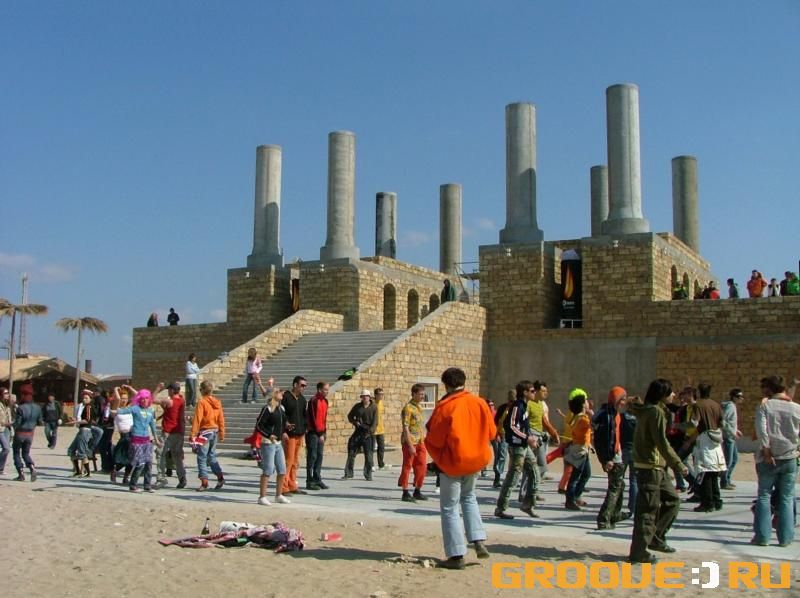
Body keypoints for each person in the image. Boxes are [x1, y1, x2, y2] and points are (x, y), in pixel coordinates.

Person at [425, 367, 496, 570]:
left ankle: (456, 555)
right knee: (469, 497)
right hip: (475, 460)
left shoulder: (446, 407)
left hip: (453, 462)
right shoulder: (479, 402)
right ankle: (478, 539)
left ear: (446, 385)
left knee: (450, 507)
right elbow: (492, 432)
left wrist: (436, 457)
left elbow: (435, 439)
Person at [626, 379, 687, 564]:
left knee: (673, 500)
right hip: (650, 467)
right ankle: (639, 552)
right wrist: (678, 464)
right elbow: (661, 442)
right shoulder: (654, 412)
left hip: (657, 468)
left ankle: (656, 537)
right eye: (670, 392)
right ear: (662, 395)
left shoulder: (650, 410)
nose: (674, 395)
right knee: (647, 511)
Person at [752, 375, 799, 547]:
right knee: (787, 497)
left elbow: (762, 431)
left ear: (769, 389)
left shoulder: (765, 406)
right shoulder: (796, 408)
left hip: (768, 457)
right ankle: (785, 538)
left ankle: (762, 537)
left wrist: (766, 450)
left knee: (764, 495)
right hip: (789, 457)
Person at [494, 381, 539, 520]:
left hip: (524, 446)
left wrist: (531, 438)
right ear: (525, 392)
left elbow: (525, 426)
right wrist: (527, 437)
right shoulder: (517, 406)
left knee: (535, 473)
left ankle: (528, 504)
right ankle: (501, 508)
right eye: (532, 391)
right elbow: (511, 426)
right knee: (513, 477)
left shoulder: (525, 406)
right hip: (517, 446)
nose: (534, 393)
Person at [594, 386, 631, 528]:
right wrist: (606, 459)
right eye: (622, 399)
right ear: (616, 400)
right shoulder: (607, 416)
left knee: (620, 485)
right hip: (612, 457)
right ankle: (604, 519)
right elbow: (601, 440)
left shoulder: (613, 413)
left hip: (616, 454)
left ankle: (615, 514)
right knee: (615, 487)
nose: (624, 402)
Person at [112, 388, 160, 492]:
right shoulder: (135, 408)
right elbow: (124, 411)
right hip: (136, 440)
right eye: (142, 398)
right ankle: (133, 485)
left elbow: (152, 425)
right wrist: (115, 410)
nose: (144, 400)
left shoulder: (150, 410)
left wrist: (156, 439)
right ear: (139, 399)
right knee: (140, 463)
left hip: (147, 440)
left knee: (149, 463)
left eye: (146, 398)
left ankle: (147, 485)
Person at [691, 382, 726, 512]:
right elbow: (722, 423)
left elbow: (695, 422)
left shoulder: (698, 405)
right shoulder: (716, 405)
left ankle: (707, 503)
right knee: (714, 472)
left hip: (705, 439)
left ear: (699, 392)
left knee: (705, 473)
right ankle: (717, 500)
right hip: (716, 440)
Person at [256, 388, 291, 505]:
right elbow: (259, 426)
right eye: (279, 392)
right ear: (273, 395)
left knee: (282, 470)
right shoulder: (267, 409)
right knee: (268, 470)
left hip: (278, 443)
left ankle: (278, 495)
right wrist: (269, 435)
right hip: (268, 443)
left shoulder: (281, 408)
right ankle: (262, 497)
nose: (282, 393)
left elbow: (283, 422)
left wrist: (286, 427)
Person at [190, 380, 225, 491]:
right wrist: (222, 433)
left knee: (202, 457)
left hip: (205, 432)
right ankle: (220, 477)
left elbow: (198, 419)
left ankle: (204, 481)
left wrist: (193, 434)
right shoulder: (217, 402)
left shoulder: (202, 402)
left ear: (203, 390)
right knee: (211, 456)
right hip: (214, 431)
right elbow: (221, 418)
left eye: (200, 389)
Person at [398, 383, 428, 502]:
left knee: (422, 466)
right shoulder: (408, 408)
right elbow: (405, 428)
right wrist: (410, 445)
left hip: (420, 441)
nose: (422, 396)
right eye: (420, 394)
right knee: (407, 466)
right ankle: (405, 491)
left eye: (423, 394)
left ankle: (417, 489)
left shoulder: (419, 407)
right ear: (414, 394)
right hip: (410, 442)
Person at [155, 382, 187, 489]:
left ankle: (161, 478)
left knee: (160, 453)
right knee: (177, 456)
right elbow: (173, 413)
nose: (168, 391)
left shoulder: (169, 401)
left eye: (169, 390)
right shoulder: (182, 400)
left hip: (168, 431)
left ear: (172, 390)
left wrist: (158, 388)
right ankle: (182, 477)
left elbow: (151, 399)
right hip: (179, 431)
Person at [564, 389, 592, 511]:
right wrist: (592, 415)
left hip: (583, 449)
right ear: (582, 405)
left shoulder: (579, 417)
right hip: (580, 451)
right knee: (575, 477)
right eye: (586, 401)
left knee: (586, 474)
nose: (588, 402)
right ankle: (570, 500)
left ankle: (575, 496)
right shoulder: (583, 419)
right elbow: (593, 426)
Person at [281, 376, 308, 494]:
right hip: (290, 434)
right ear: (295, 385)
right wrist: (284, 427)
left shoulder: (302, 400)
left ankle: (292, 484)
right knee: (288, 460)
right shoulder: (286, 397)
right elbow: (281, 414)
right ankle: (283, 486)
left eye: (305, 386)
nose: (303, 388)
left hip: (299, 433)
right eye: (302, 385)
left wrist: (305, 428)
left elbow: (304, 415)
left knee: (295, 461)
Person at [344, 389, 377, 481]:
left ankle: (368, 474)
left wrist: (370, 432)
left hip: (368, 433)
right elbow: (350, 416)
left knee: (369, 455)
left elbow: (375, 422)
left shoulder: (374, 407)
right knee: (351, 452)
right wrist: (355, 422)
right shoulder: (357, 406)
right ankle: (348, 473)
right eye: (363, 396)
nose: (364, 398)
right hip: (358, 431)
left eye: (366, 396)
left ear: (369, 397)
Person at [12, 390, 42, 481]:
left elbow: (18, 422)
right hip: (30, 434)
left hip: (20, 433)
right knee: (26, 453)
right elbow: (40, 421)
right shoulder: (38, 408)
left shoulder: (21, 408)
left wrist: (12, 425)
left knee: (16, 453)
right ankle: (32, 467)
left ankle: (21, 473)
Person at [305, 381, 329, 490]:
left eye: (328, 390)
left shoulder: (325, 401)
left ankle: (317, 478)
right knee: (312, 456)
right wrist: (319, 434)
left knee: (319, 456)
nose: (327, 392)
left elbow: (324, 419)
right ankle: (309, 481)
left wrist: (324, 433)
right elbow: (313, 419)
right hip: (313, 433)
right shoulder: (313, 401)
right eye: (325, 390)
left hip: (321, 433)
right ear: (319, 390)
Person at [720, 388, 744, 489]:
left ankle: (727, 479)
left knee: (734, 459)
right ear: (734, 397)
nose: (741, 398)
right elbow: (723, 421)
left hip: (731, 436)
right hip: (728, 437)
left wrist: (736, 430)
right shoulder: (730, 406)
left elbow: (730, 422)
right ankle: (724, 482)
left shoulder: (732, 406)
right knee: (729, 461)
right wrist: (732, 432)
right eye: (739, 396)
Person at [491, 391, 514, 488]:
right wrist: (497, 434)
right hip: (503, 435)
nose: (511, 403)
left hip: (514, 436)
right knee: (501, 456)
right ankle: (497, 478)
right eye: (510, 400)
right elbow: (496, 422)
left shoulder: (518, 408)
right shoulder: (503, 408)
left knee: (514, 458)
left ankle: (512, 479)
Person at [373, 387, 387, 470]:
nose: (381, 396)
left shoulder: (381, 402)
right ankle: (371, 465)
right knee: (371, 448)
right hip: (373, 429)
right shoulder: (372, 403)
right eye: (380, 394)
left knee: (381, 447)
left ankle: (381, 464)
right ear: (375, 395)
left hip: (381, 429)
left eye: (382, 394)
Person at [0, 388, 12, 475]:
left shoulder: (7, 405)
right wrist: (5, 423)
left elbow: (9, 416)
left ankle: (1, 469)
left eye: (8, 393)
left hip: (7, 429)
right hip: (0, 429)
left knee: (7, 449)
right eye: (5, 393)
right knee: (6, 448)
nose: (7, 395)